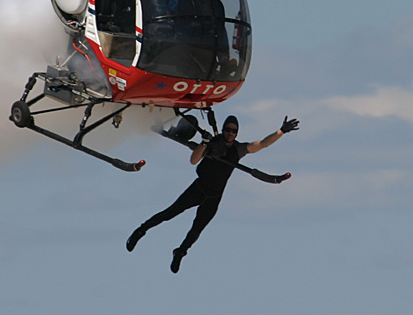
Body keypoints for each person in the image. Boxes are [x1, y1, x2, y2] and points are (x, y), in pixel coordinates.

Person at [126, 114, 300, 273]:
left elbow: (262, 144)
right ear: (223, 130)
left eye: (234, 131)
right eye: (228, 130)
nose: (230, 133)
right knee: (170, 213)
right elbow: (194, 160)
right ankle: (140, 231)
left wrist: (281, 131)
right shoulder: (212, 143)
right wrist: (204, 144)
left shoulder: (238, 149)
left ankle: (180, 252)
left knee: (197, 229)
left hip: (214, 196)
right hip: (199, 189)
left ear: (237, 133)